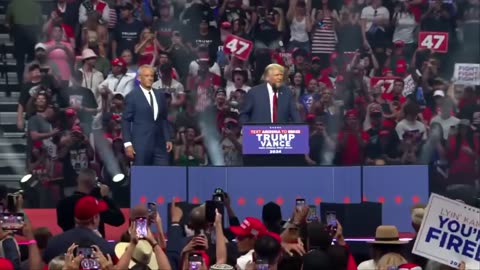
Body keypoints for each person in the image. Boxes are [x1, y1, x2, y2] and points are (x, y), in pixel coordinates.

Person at [121, 65, 173, 166]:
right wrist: (127, 144)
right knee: (142, 175)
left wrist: (167, 138)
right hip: (141, 144)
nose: (150, 78)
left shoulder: (160, 95)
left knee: (164, 174)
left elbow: (163, 119)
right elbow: (125, 121)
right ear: (139, 78)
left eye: (152, 76)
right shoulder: (132, 96)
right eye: (146, 75)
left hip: (160, 144)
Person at [55, 168, 125, 237]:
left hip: (69, 243)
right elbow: (119, 219)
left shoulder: (63, 204)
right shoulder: (95, 204)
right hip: (94, 244)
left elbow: (61, 223)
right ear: (94, 183)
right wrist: (105, 197)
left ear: (77, 180)